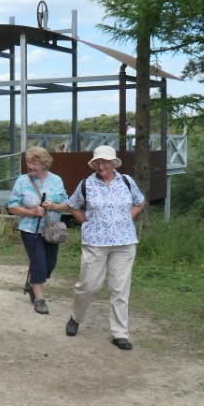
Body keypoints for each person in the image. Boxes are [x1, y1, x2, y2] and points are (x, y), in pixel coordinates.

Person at [65, 145, 146, 351]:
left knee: (120, 289)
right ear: (94, 164)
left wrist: (129, 217)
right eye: (98, 162)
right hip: (95, 243)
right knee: (89, 285)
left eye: (105, 162)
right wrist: (85, 221)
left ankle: (120, 334)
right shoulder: (87, 184)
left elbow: (140, 202)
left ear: (113, 163)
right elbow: (72, 204)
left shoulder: (126, 181)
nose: (101, 166)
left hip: (125, 243)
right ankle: (76, 317)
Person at [7, 145, 69, 315]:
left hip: (51, 230)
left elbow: (68, 204)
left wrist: (54, 206)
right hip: (30, 229)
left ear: (44, 164)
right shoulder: (22, 181)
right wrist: (31, 212)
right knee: (38, 262)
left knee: (50, 264)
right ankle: (39, 299)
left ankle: (33, 282)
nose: (31, 166)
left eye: (35, 163)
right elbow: (12, 206)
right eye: (28, 162)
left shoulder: (56, 180)